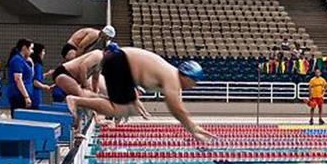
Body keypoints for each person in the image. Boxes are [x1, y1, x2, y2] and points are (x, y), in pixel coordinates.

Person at [65, 46, 215, 143]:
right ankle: (76, 100)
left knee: (124, 108)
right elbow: (176, 108)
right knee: (119, 109)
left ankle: (81, 97)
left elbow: (136, 85)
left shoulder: (170, 74)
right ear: (187, 76)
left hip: (122, 64)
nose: (194, 86)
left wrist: (137, 105)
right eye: (194, 82)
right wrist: (193, 129)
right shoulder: (173, 78)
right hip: (120, 61)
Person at [6, 39, 34, 118]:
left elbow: (31, 76)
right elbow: (18, 79)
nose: (32, 51)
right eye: (31, 49)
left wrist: (32, 64)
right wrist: (26, 96)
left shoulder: (24, 61)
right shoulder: (17, 60)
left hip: (24, 94)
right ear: (24, 48)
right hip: (18, 95)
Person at [30, 43, 53, 110]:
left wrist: (47, 74)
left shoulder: (32, 63)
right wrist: (44, 86)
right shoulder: (37, 64)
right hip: (34, 95)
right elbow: (35, 82)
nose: (44, 53)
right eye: (43, 51)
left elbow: (37, 77)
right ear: (39, 52)